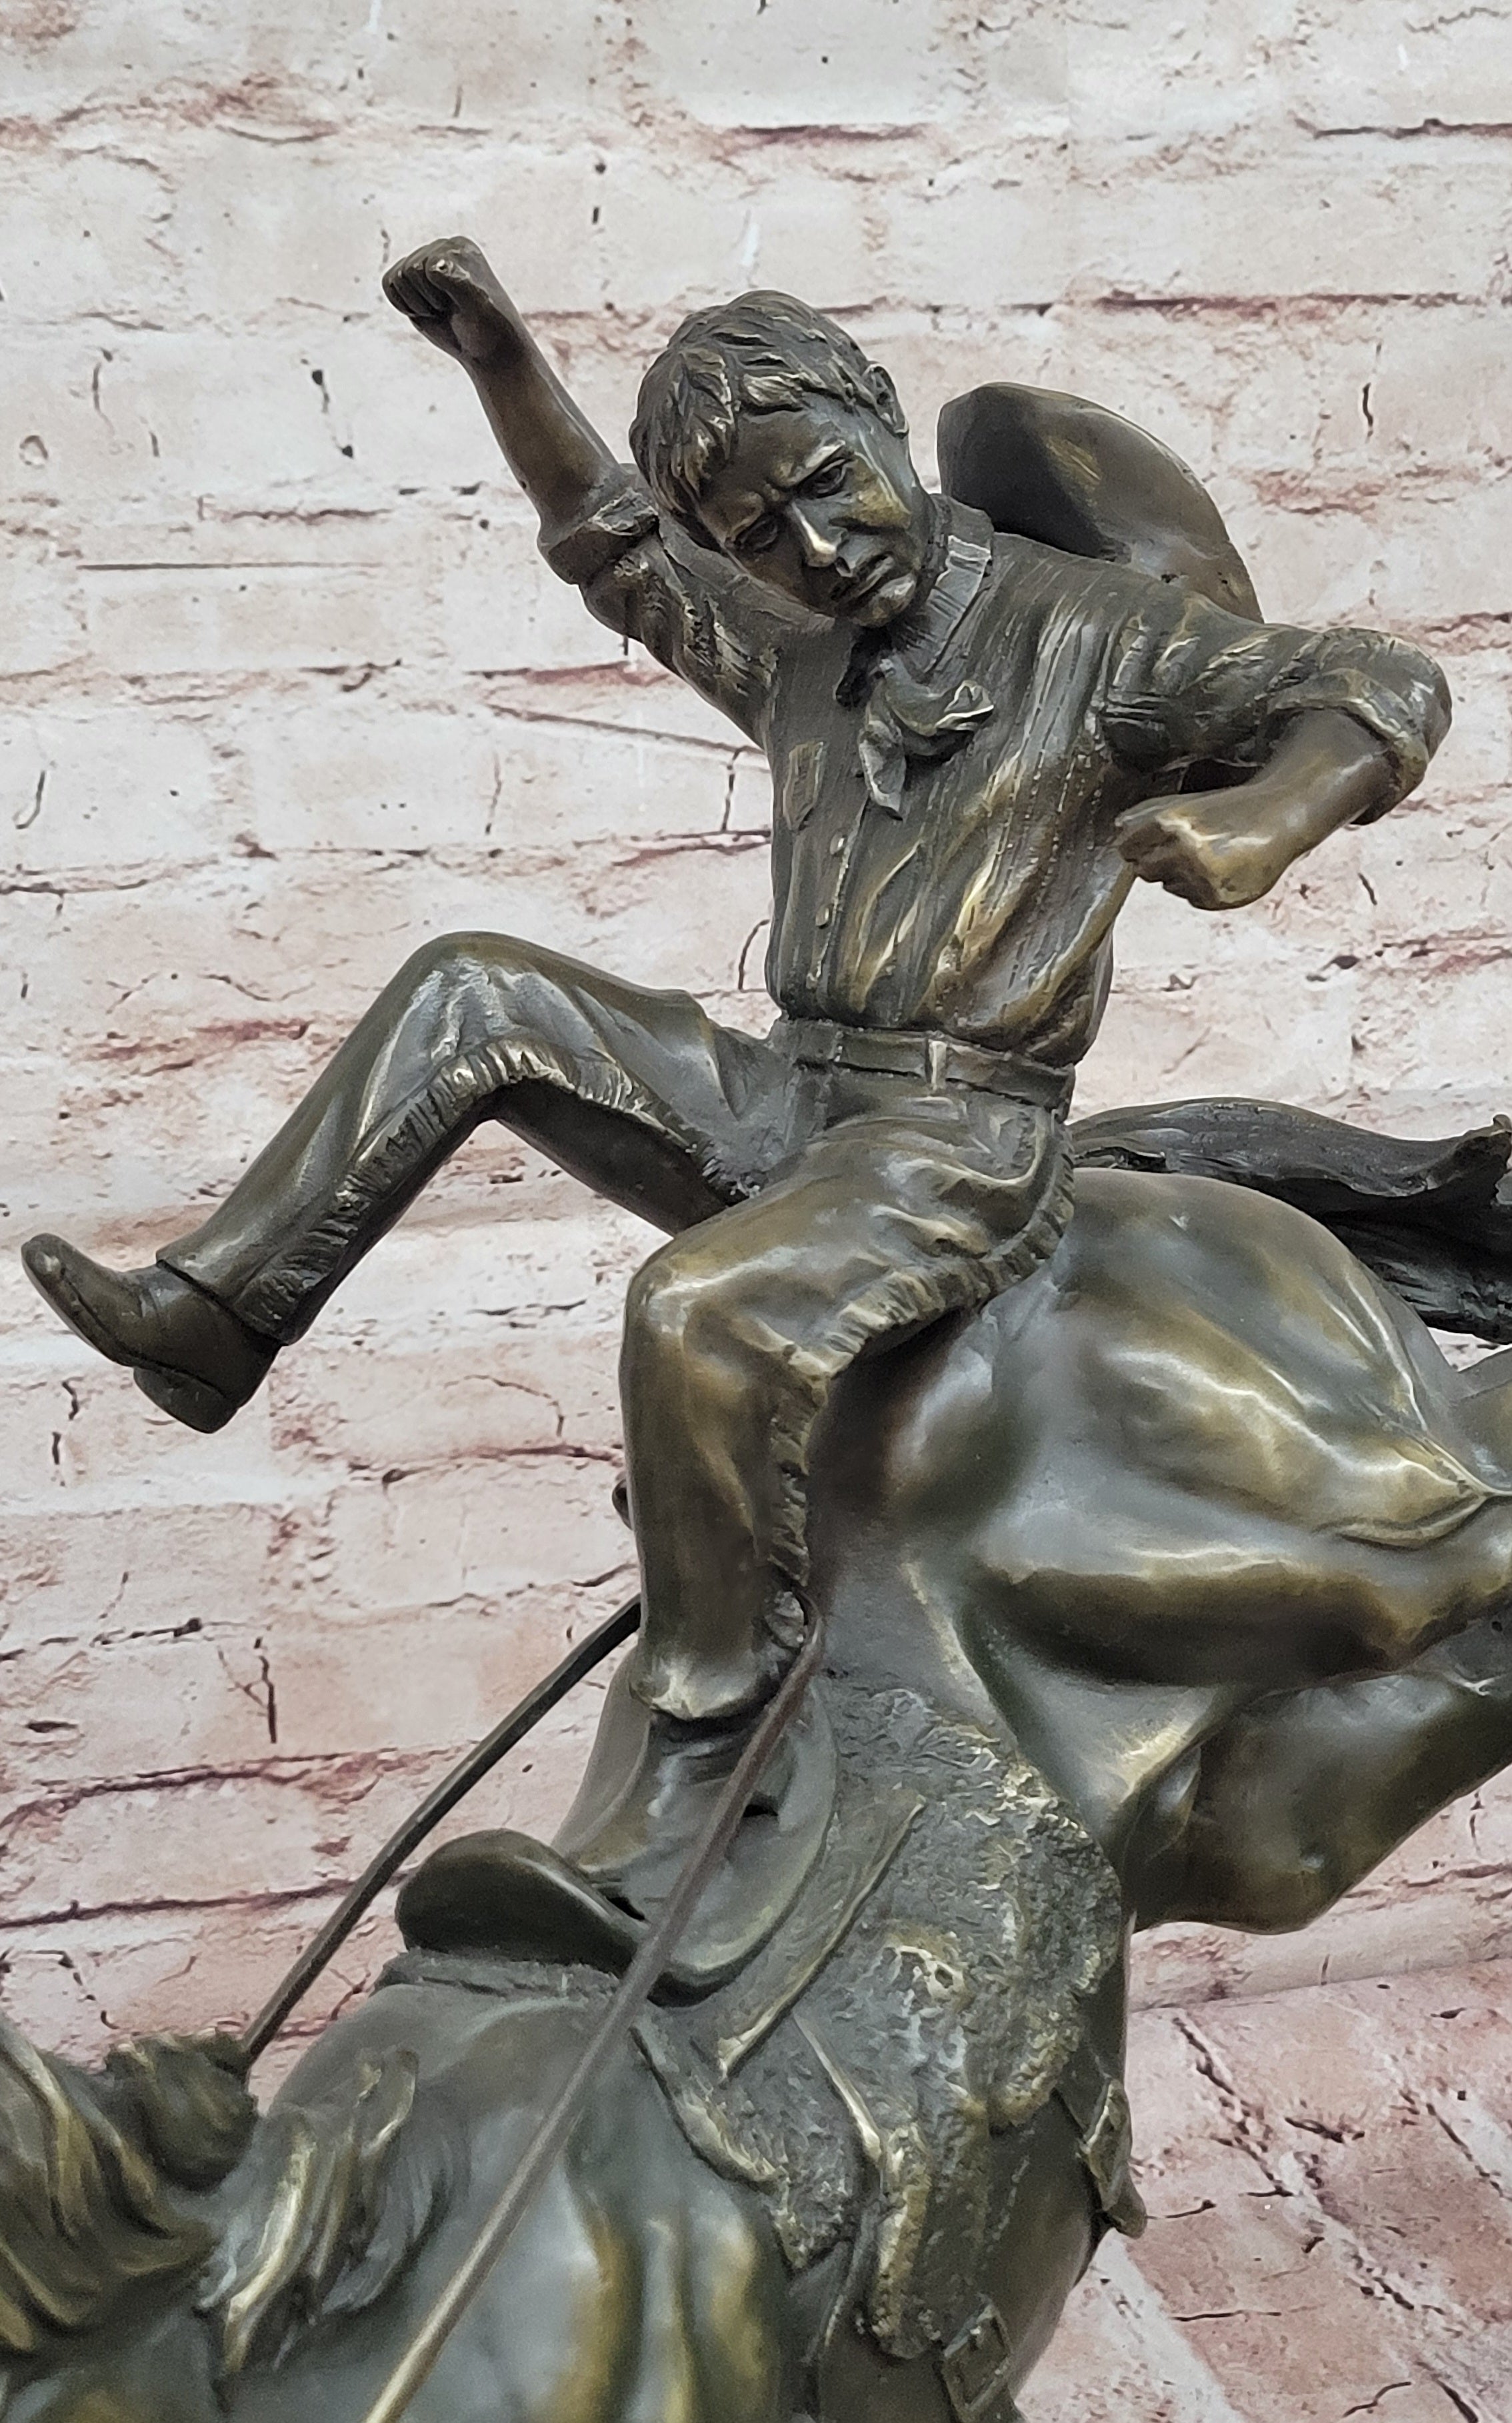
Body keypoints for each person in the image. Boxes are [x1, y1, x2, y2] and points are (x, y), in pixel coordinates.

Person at [23, 237, 1451, 1902]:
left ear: (883, 417)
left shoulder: (1088, 633)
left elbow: (1378, 682)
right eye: (764, 534)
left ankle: (716, 1746)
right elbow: (613, 541)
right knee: (476, 987)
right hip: (789, 1096)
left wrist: (1261, 820)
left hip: (951, 1137)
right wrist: (501, 362)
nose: (818, 551)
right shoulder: (798, 649)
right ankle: (217, 1318)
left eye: (832, 489)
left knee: (700, 1315)